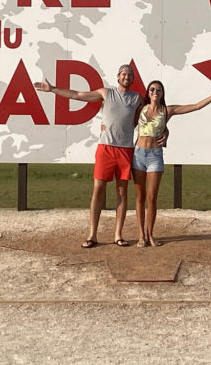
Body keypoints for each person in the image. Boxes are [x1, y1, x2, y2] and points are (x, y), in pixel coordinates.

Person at [35, 64, 143, 248]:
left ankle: (118, 234)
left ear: (132, 79)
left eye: (129, 75)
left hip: (125, 149)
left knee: (122, 192)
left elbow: (150, 117)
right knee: (98, 189)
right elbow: (77, 95)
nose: (126, 77)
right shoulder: (105, 93)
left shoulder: (137, 99)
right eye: (124, 74)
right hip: (105, 149)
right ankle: (92, 235)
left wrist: (163, 132)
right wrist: (52, 89)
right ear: (118, 77)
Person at [133, 79, 211, 247]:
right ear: (148, 92)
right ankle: (141, 235)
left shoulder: (167, 111)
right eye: (152, 89)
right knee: (140, 197)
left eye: (158, 90)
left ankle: (150, 234)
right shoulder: (140, 108)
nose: (155, 92)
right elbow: (121, 118)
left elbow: (195, 106)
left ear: (162, 93)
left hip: (155, 156)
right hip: (138, 155)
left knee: (152, 198)